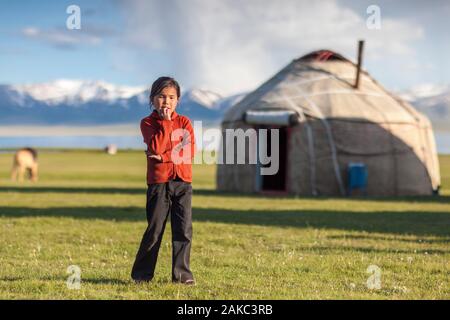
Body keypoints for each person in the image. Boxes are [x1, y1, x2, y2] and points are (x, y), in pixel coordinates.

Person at [131, 76, 196, 285]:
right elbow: (156, 147)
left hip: (183, 182)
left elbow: (189, 153)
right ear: (152, 99)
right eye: (161, 96)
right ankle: (141, 275)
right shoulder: (148, 123)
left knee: (183, 230)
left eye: (171, 97)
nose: (166, 102)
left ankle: (182, 276)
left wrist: (165, 158)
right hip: (159, 183)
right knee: (154, 230)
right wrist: (166, 123)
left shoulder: (184, 122)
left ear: (178, 100)